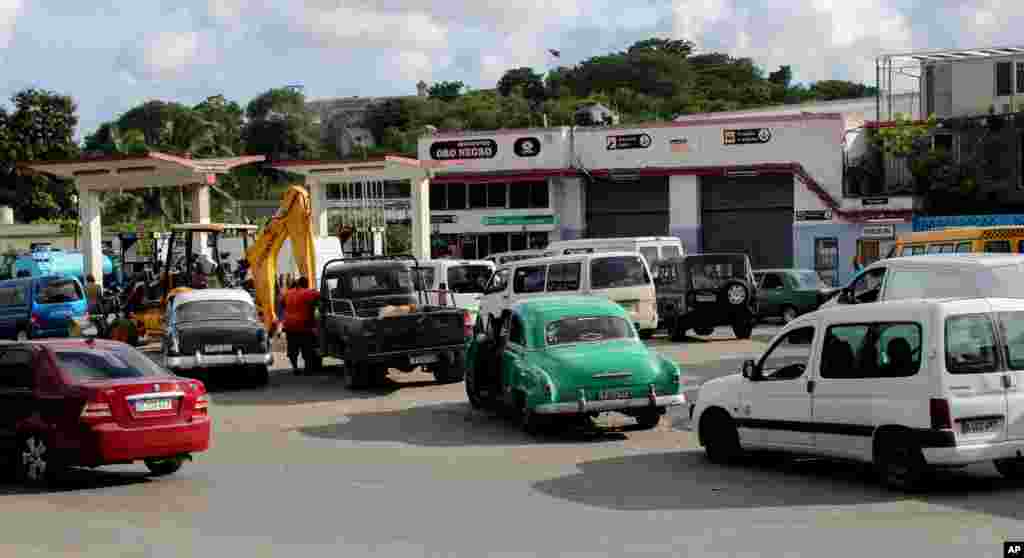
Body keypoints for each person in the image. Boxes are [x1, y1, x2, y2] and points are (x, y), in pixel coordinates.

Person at [282, 276, 320, 375]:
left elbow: (282, 303)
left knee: (292, 349)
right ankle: (308, 369)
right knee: (307, 349)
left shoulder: (287, 293)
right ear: (307, 284)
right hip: (304, 326)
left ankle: (295, 368)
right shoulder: (309, 292)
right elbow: (322, 298)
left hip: (289, 326)